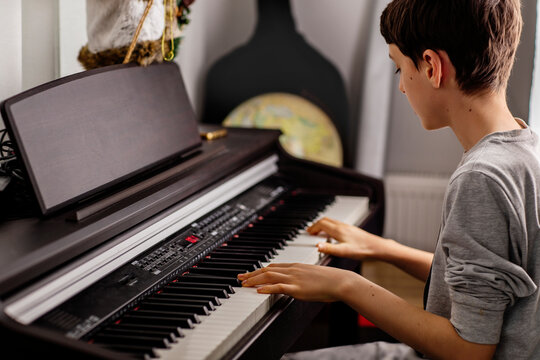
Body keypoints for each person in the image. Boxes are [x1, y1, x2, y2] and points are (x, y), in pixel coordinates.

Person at [238, 0, 540, 358]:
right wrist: (381, 248)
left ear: (431, 66)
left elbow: (468, 350)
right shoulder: (524, 148)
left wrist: (346, 284)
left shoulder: (481, 178)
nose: (401, 87)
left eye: (399, 69)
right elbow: (485, 288)